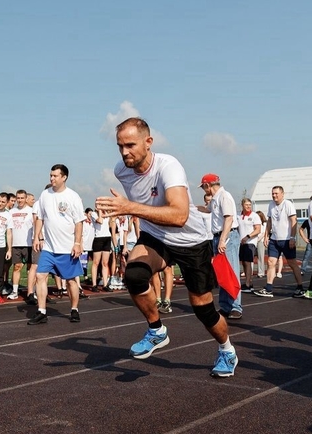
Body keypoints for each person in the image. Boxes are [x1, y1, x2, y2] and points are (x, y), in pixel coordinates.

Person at [96, 117, 237, 377]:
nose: (125, 152)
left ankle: (227, 349)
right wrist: (116, 208)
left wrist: (129, 207)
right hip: (155, 236)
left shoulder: (168, 167)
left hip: (191, 241)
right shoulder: (121, 170)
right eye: (120, 146)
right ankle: (156, 330)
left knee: (203, 310)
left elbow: (180, 215)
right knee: (134, 275)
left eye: (130, 145)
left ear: (148, 142)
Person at [27, 164, 85, 325]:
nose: (51, 178)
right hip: (49, 248)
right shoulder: (45, 194)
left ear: (64, 177)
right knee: (40, 276)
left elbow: (79, 222)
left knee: (71, 280)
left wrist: (77, 243)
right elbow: (40, 217)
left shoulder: (72, 196)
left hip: (67, 248)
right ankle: (42, 311)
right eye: (50, 175)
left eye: (55, 176)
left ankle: (74, 309)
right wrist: (36, 237)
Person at [199, 173, 242, 319]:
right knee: (222, 272)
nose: (204, 190)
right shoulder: (216, 198)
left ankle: (236, 306)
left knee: (231, 271)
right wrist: (191, 207)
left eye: (204, 187)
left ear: (207, 185)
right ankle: (225, 306)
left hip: (226, 236)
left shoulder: (224, 196)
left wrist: (223, 240)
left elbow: (229, 219)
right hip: (218, 236)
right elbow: (207, 209)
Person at [254, 186, 304, 298]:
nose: (274, 195)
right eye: (273, 193)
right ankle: (268, 288)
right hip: (274, 240)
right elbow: (269, 222)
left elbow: (293, 221)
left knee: (292, 263)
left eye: (276, 193)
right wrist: (266, 236)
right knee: (271, 263)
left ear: (282, 194)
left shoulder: (288, 205)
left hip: (286, 240)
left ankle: (300, 287)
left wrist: (292, 238)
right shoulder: (271, 205)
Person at [9, 189, 34, 300]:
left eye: (22, 198)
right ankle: (15, 292)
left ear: (25, 199)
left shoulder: (31, 211)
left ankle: (31, 292)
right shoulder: (11, 212)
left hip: (29, 244)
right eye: (18, 198)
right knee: (17, 267)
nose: (19, 200)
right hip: (16, 244)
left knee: (30, 269)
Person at [237, 198, 261, 293]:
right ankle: (249, 282)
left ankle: (247, 283)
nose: (248, 206)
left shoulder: (254, 216)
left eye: (249, 205)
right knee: (243, 262)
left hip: (250, 242)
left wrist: (248, 237)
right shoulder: (239, 216)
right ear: (242, 205)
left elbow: (258, 229)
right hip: (241, 242)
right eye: (246, 204)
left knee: (247, 262)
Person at [255, 211, 267, 277]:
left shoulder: (264, 224)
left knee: (260, 257)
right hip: (254, 241)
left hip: (260, 241)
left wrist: (258, 240)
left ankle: (261, 272)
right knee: (252, 257)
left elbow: (263, 233)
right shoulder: (255, 223)